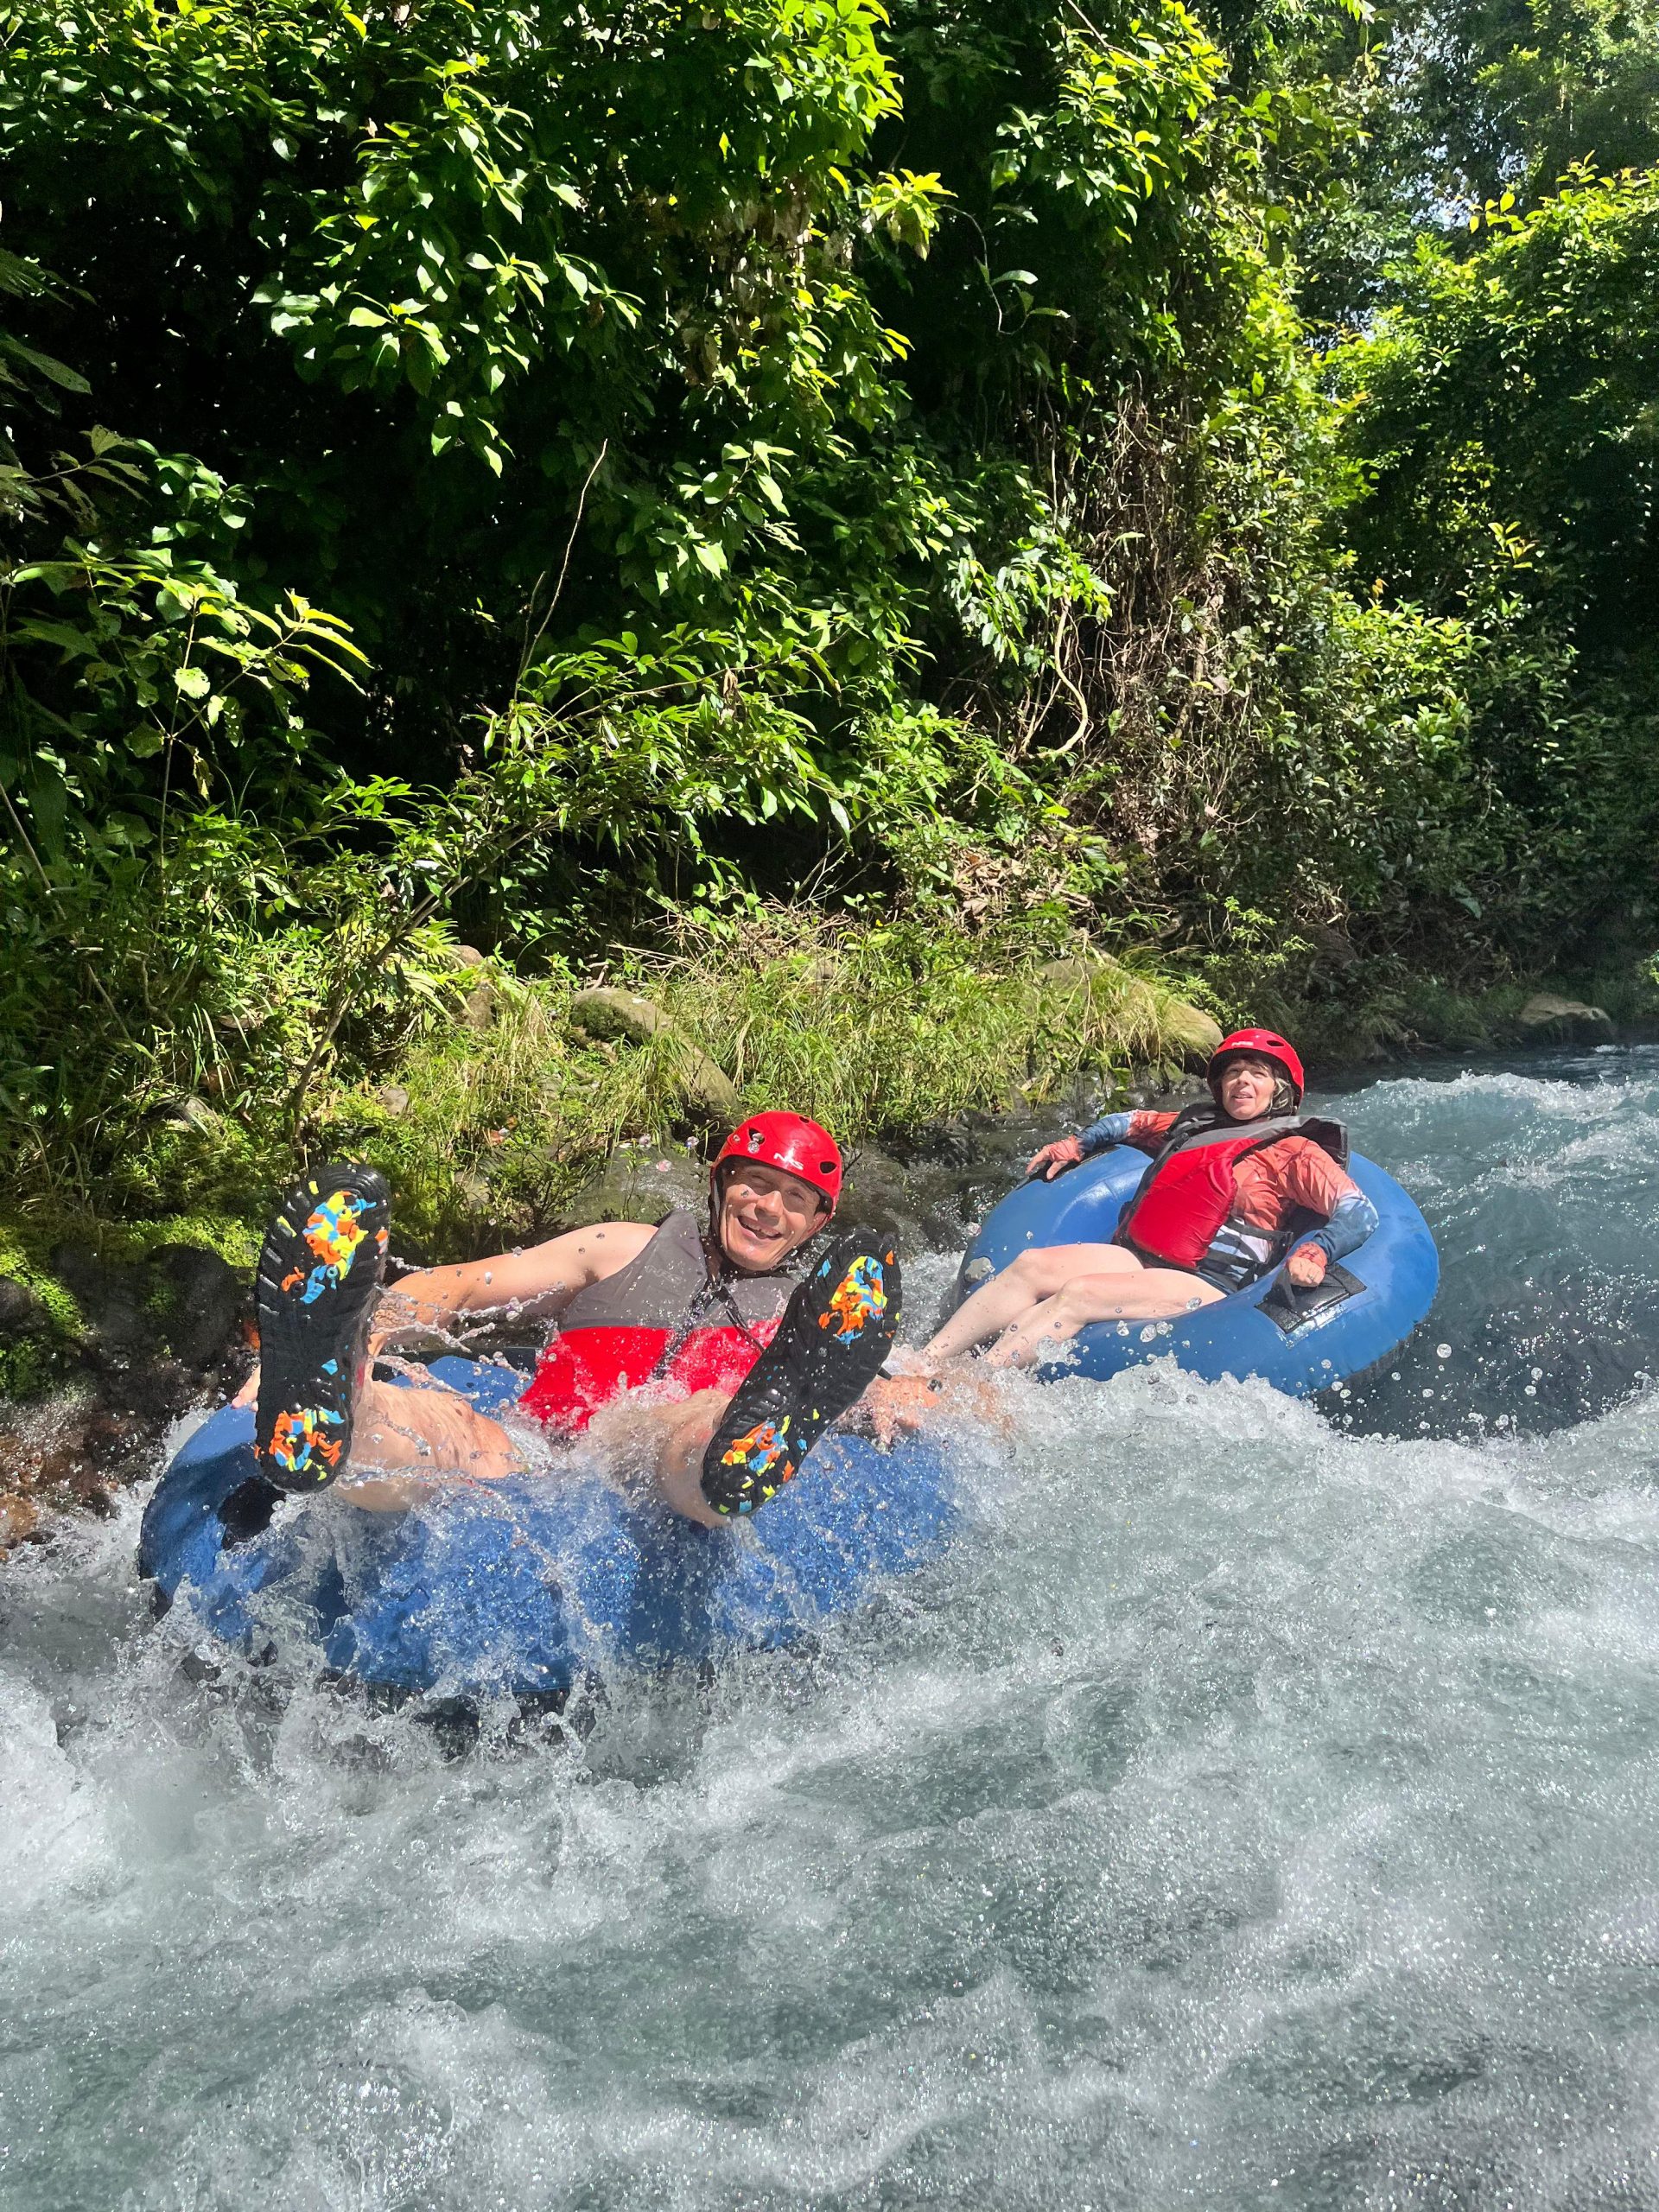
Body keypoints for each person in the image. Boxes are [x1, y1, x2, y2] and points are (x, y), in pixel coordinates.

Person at [241, 1113, 899, 1531]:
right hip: (536, 1450)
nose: (765, 1208)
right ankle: (337, 1395)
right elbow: (464, 1285)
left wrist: (898, 1395)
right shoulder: (621, 1246)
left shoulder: (812, 1315)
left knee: (684, 1422)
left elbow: (864, 1384)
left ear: (815, 1224)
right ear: (719, 1182)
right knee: (453, 1430)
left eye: (793, 1200)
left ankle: (739, 1457)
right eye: (753, 1183)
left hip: (657, 1474)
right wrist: (380, 1326)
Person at [910, 1028, 1378, 1371]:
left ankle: (971, 1390)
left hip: (1208, 1285)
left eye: (1256, 1074)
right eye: (1234, 1073)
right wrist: (1078, 1143)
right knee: (1033, 1265)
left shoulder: (1295, 1151)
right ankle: (923, 1363)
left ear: (1279, 1091)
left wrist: (1317, 1251)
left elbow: (1359, 1213)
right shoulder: (1194, 1127)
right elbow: (1128, 1121)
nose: (1242, 1083)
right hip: (1138, 1258)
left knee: (1079, 1294)